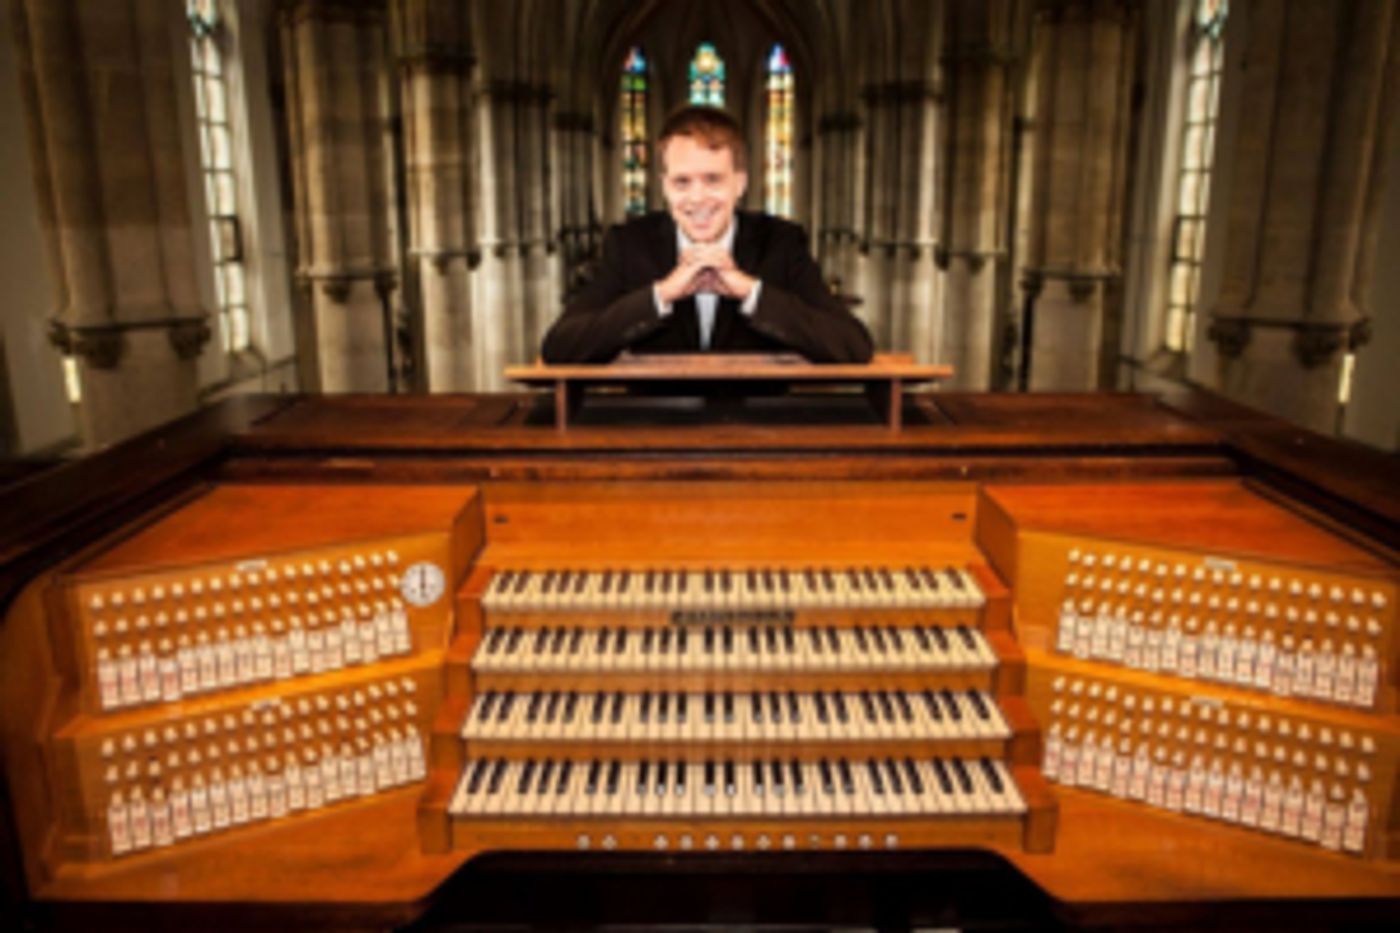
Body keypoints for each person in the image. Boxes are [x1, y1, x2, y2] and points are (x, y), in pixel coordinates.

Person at [541, 106, 874, 364]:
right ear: (664, 186)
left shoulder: (781, 242)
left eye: (713, 179)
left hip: (761, 434)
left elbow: (853, 345)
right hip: (652, 432)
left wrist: (751, 291)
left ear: (739, 183)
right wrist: (661, 295)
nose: (697, 198)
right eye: (682, 182)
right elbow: (560, 347)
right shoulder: (630, 243)